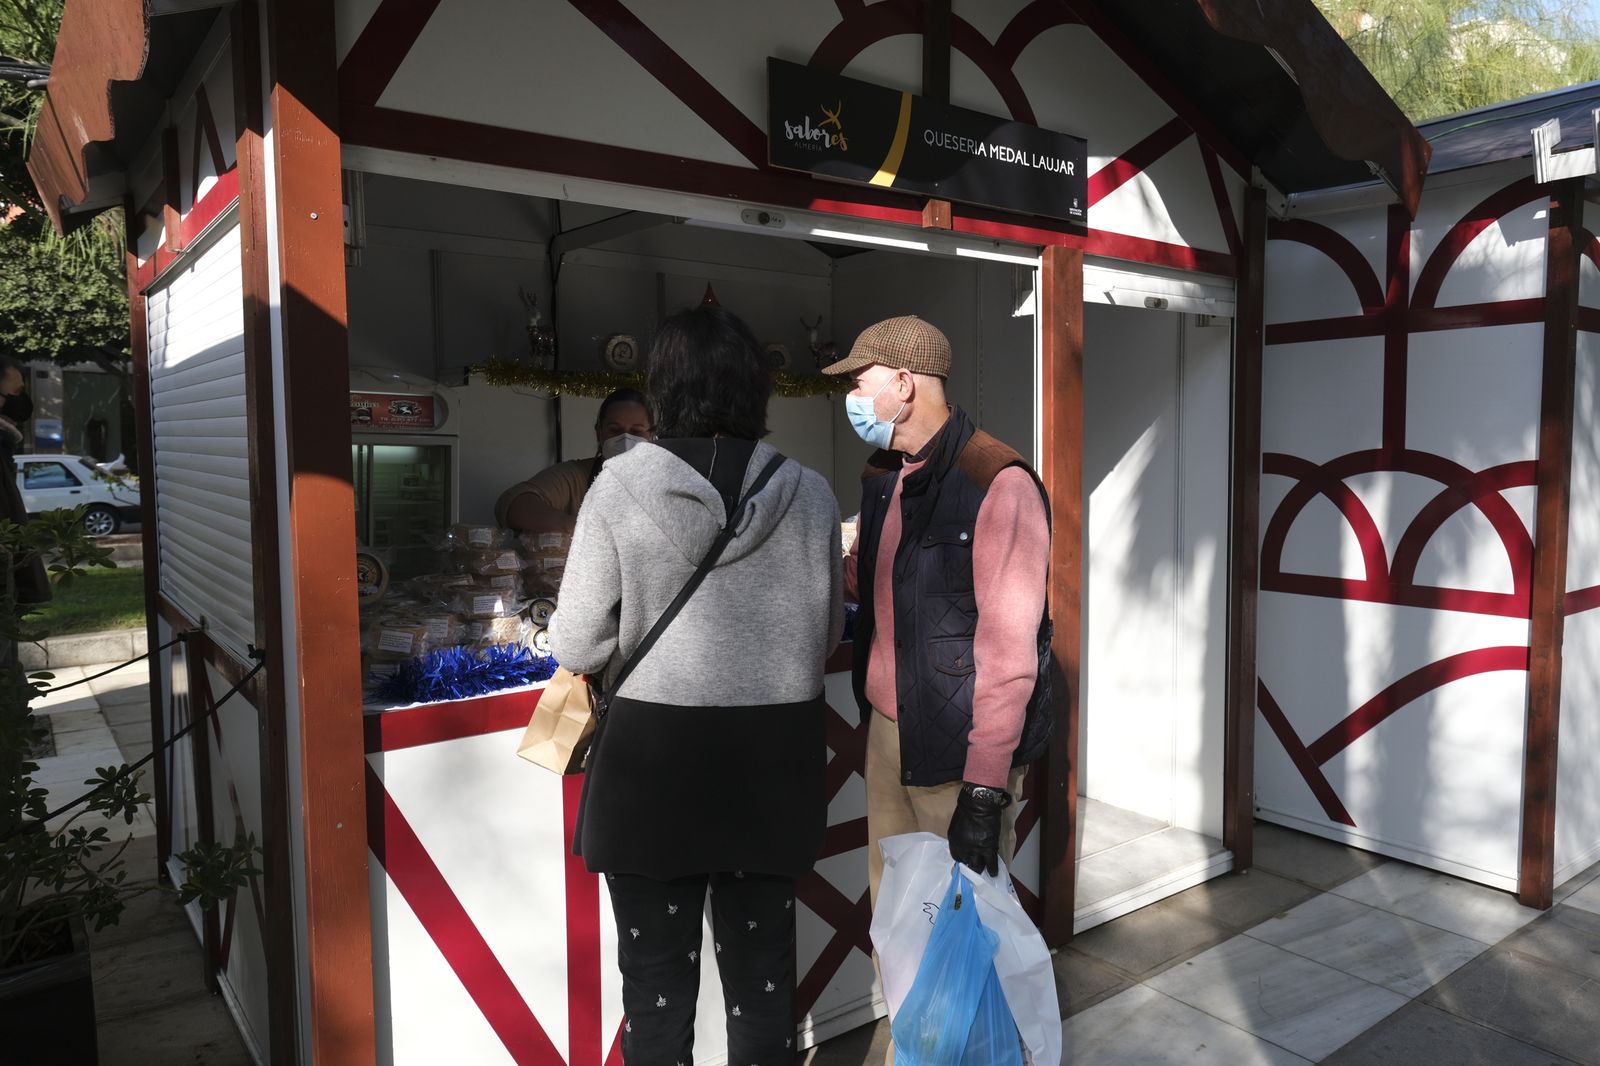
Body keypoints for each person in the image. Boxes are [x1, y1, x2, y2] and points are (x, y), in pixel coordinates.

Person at [549, 306, 843, 1066]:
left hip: (654, 764)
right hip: (773, 760)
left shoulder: (619, 485)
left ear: (663, 388)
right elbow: (828, 634)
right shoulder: (807, 490)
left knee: (655, 985)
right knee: (762, 982)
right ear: (757, 389)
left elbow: (580, 639)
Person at [821, 315, 1052, 908]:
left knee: (964, 934)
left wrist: (982, 792)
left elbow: (1009, 656)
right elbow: (861, 580)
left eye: (858, 382)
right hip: (889, 735)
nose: (850, 398)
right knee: (897, 921)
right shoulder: (884, 477)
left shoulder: (996, 482)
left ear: (903, 384)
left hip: (960, 751)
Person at [494, 387, 653, 533]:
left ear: (652, 435)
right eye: (615, 430)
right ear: (599, 433)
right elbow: (513, 503)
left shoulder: (670, 482)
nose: (625, 440)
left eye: (636, 431)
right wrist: (578, 526)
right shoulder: (575, 477)